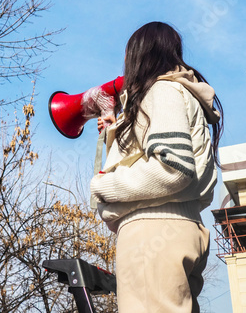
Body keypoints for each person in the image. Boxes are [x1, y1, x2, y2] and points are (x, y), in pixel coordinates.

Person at [90, 21, 223, 313]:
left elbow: (173, 167)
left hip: (153, 235)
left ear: (138, 55)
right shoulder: (179, 93)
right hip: (179, 230)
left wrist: (102, 186)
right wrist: (120, 132)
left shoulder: (161, 91)